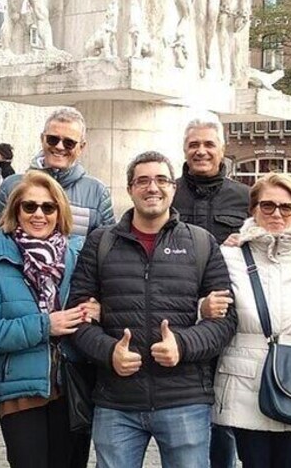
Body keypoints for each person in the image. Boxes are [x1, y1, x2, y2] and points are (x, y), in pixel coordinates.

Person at [67, 150, 237, 468]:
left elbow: (225, 322)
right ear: (130, 189)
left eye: (161, 180)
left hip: (184, 399)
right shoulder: (100, 243)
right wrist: (109, 352)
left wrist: (183, 345)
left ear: (173, 187)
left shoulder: (202, 243)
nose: (152, 187)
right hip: (116, 401)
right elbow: (77, 317)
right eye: (142, 181)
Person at [0, 172, 100, 468]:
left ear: (59, 212)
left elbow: (102, 300)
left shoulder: (79, 253)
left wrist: (97, 310)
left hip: (72, 384)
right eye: (29, 206)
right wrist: (45, 325)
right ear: (16, 211)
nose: (39, 214)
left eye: (48, 207)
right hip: (20, 390)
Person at [214, 173, 291, 468]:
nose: (276, 214)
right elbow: (203, 305)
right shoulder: (227, 257)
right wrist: (204, 308)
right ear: (253, 209)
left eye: (286, 207)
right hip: (246, 382)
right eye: (267, 205)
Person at [170, 116, 248, 468]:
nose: (201, 151)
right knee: (182, 412)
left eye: (208, 144)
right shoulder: (168, 193)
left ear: (222, 149)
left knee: (224, 416)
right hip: (177, 316)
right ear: (184, 149)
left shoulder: (245, 197)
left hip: (227, 317)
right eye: (194, 145)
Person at [0, 107, 114, 239]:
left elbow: (108, 245)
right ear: (42, 139)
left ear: (81, 147)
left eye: (69, 143)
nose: (59, 146)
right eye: (53, 139)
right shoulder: (11, 185)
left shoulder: (97, 192)